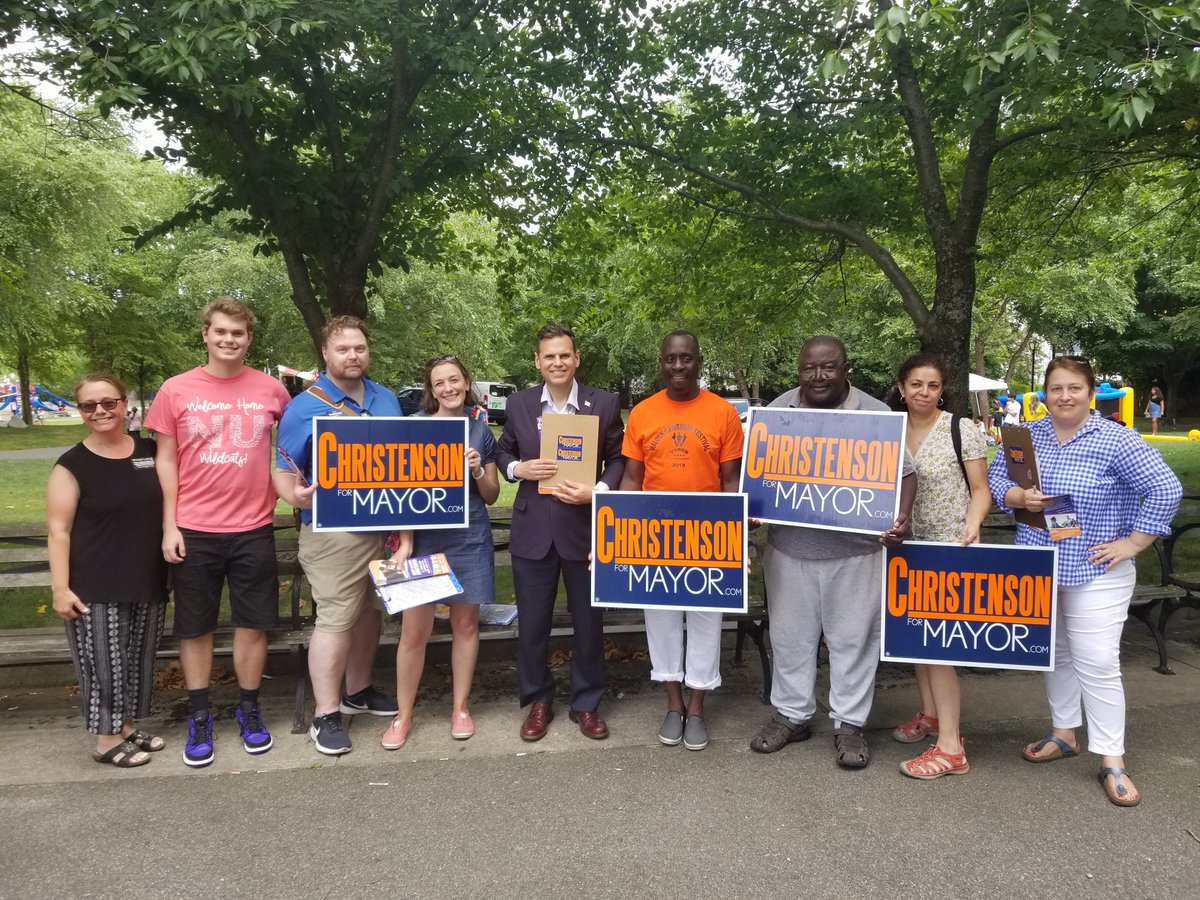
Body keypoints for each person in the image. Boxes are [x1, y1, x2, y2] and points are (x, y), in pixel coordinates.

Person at [988, 356, 1181, 807]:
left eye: (1074, 388)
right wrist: (1018, 495)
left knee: (1096, 662)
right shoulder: (1026, 435)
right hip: (1039, 564)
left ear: (1090, 393)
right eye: (1056, 388)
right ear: (1044, 395)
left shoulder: (1115, 439)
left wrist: (1133, 543)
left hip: (1097, 568)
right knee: (1053, 653)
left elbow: (1166, 488)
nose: (1065, 396)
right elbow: (999, 478)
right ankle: (1063, 733)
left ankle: (1111, 759)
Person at [749, 336, 916, 768]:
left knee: (853, 642)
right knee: (788, 639)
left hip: (857, 554)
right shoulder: (777, 412)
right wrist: (753, 508)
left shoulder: (877, 416)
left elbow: (907, 476)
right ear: (798, 370)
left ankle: (849, 724)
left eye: (828, 367)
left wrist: (901, 517)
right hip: (789, 551)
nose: (817, 376)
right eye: (809, 368)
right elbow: (758, 478)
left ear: (846, 369)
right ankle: (792, 714)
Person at [145, 297, 291, 768]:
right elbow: (164, 460)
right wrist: (169, 524)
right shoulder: (175, 390)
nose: (229, 340)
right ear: (205, 334)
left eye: (239, 333)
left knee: (253, 625)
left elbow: (292, 448)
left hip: (253, 527)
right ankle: (201, 715)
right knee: (195, 628)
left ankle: (249, 709)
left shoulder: (272, 390)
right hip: (193, 528)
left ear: (249, 339)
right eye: (221, 331)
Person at [273, 316, 405, 755]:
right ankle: (326, 715)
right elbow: (281, 469)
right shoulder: (304, 406)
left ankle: (359, 689)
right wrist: (298, 496)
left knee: (370, 612)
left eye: (360, 348)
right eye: (344, 349)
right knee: (335, 618)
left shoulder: (386, 399)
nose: (353, 356)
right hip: (334, 532)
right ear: (326, 355)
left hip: (382, 527)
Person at [496, 324, 625, 742]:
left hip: (584, 529)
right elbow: (503, 451)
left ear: (576, 359)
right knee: (533, 624)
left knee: (589, 623)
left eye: (564, 355)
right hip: (533, 529)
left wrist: (598, 491)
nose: (557, 362)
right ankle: (538, 700)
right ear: (537, 361)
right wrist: (518, 469)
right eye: (549, 356)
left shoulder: (603, 403)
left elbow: (619, 458)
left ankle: (586, 703)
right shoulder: (519, 403)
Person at [620, 331, 743, 751]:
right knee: (662, 621)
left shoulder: (723, 412)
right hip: (655, 536)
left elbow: (731, 481)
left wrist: (736, 538)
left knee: (708, 622)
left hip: (709, 537)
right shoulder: (641, 412)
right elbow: (631, 479)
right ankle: (672, 704)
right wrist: (620, 532)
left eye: (686, 359)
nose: (678, 367)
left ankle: (697, 708)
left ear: (699, 361)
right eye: (671, 359)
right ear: (661, 361)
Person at [46, 374, 169, 767]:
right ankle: (104, 741)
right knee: (103, 663)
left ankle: (126, 728)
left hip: (146, 576)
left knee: (135, 659)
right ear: (81, 411)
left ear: (123, 403)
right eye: (89, 406)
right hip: (95, 582)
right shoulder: (72, 465)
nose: (100, 411)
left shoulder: (149, 450)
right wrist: (60, 589)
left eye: (108, 403)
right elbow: (58, 530)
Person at [384, 355, 500, 749]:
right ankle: (403, 716)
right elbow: (400, 490)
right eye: (439, 383)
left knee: (465, 627)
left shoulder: (479, 431)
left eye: (454, 380)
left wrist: (478, 471)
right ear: (430, 390)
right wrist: (406, 542)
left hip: (469, 538)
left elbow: (492, 494)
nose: (448, 388)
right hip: (422, 541)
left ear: (466, 382)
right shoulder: (413, 428)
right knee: (414, 631)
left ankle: (460, 708)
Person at [886, 355, 992, 779]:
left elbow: (981, 490)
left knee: (939, 644)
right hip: (905, 547)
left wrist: (973, 522)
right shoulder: (889, 431)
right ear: (901, 387)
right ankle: (929, 716)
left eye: (932, 385)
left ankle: (951, 747)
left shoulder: (959, 429)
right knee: (916, 638)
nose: (923, 392)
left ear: (942, 389)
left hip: (949, 547)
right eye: (915, 384)